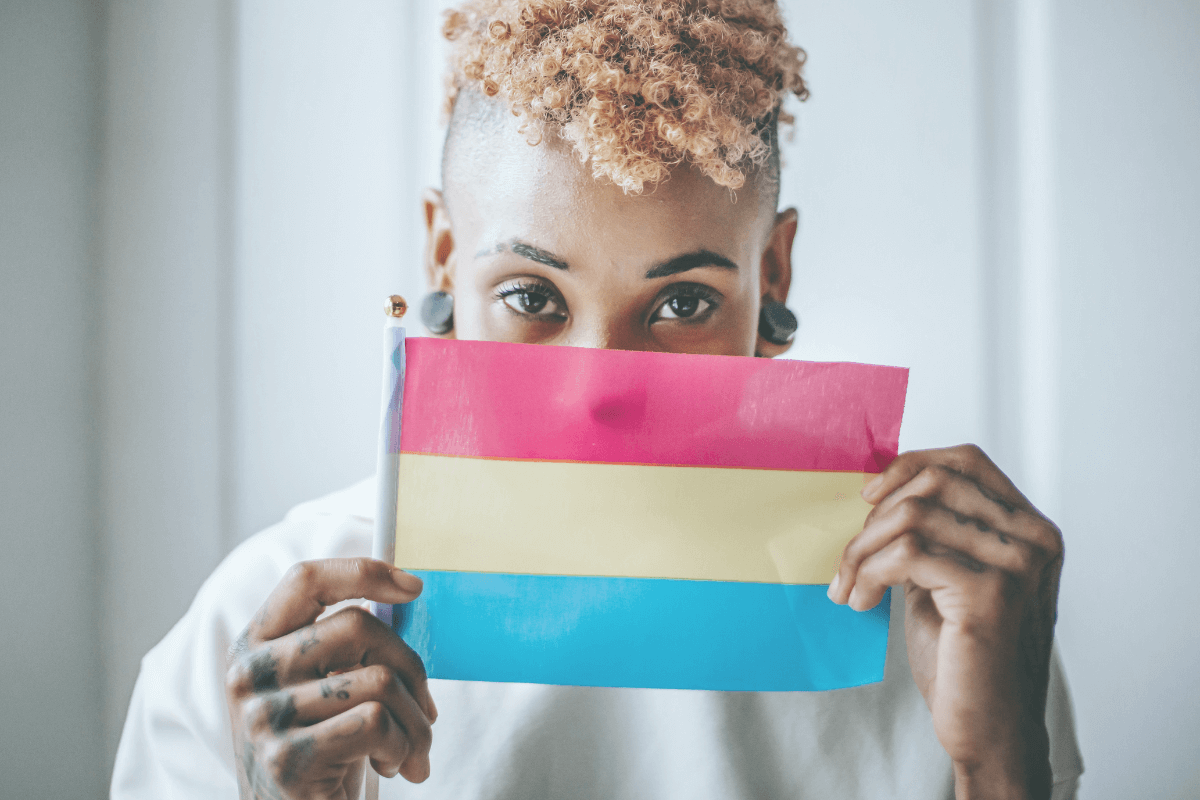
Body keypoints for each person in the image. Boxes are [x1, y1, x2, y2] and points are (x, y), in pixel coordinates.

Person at [111, 1, 1084, 798]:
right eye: (533, 297)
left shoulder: (948, 624)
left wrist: (1000, 767)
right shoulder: (266, 638)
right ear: (446, 257)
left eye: (683, 302)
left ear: (774, 274)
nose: (597, 387)